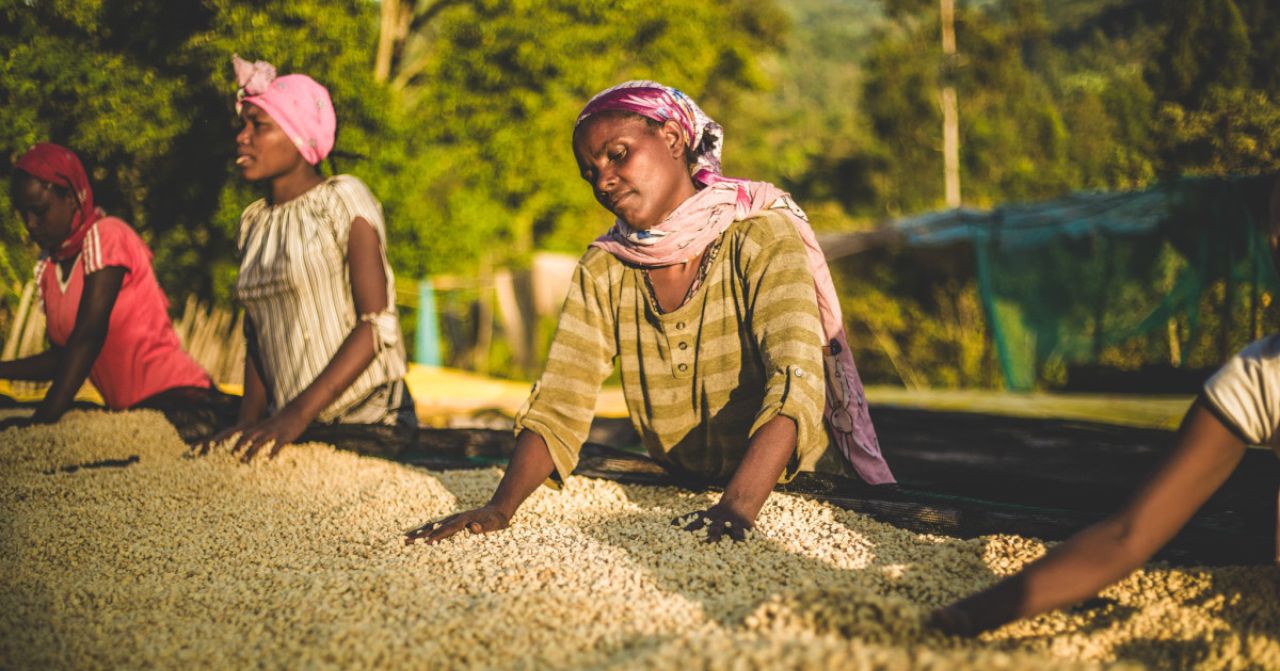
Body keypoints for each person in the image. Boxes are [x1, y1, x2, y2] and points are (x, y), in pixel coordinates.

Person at [406, 80, 893, 546]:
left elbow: (796, 380)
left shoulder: (759, 238)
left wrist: (737, 509)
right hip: (689, 486)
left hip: (799, 491)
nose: (604, 180)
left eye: (617, 155)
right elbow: (560, 401)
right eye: (590, 171)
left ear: (674, 137)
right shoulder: (606, 268)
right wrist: (500, 508)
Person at [930, 176, 1280, 637]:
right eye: (1273, 232)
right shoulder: (1258, 379)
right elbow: (1126, 537)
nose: (1274, 243)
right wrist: (964, 618)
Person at [211, 55, 416, 462]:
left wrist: (295, 415)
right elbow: (259, 334)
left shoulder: (341, 199)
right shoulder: (253, 222)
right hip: (295, 424)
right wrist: (247, 424)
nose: (243, 137)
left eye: (259, 126)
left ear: (299, 138)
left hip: (368, 419)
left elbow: (376, 323)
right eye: (243, 124)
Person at [2, 142, 216, 430]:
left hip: (180, 400)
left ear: (72, 199)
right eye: (23, 213)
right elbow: (64, 359)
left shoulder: (107, 236)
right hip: (131, 414)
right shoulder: (49, 269)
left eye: (39, 211)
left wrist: (39, 423)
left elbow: (89, 336)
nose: (30, 223)